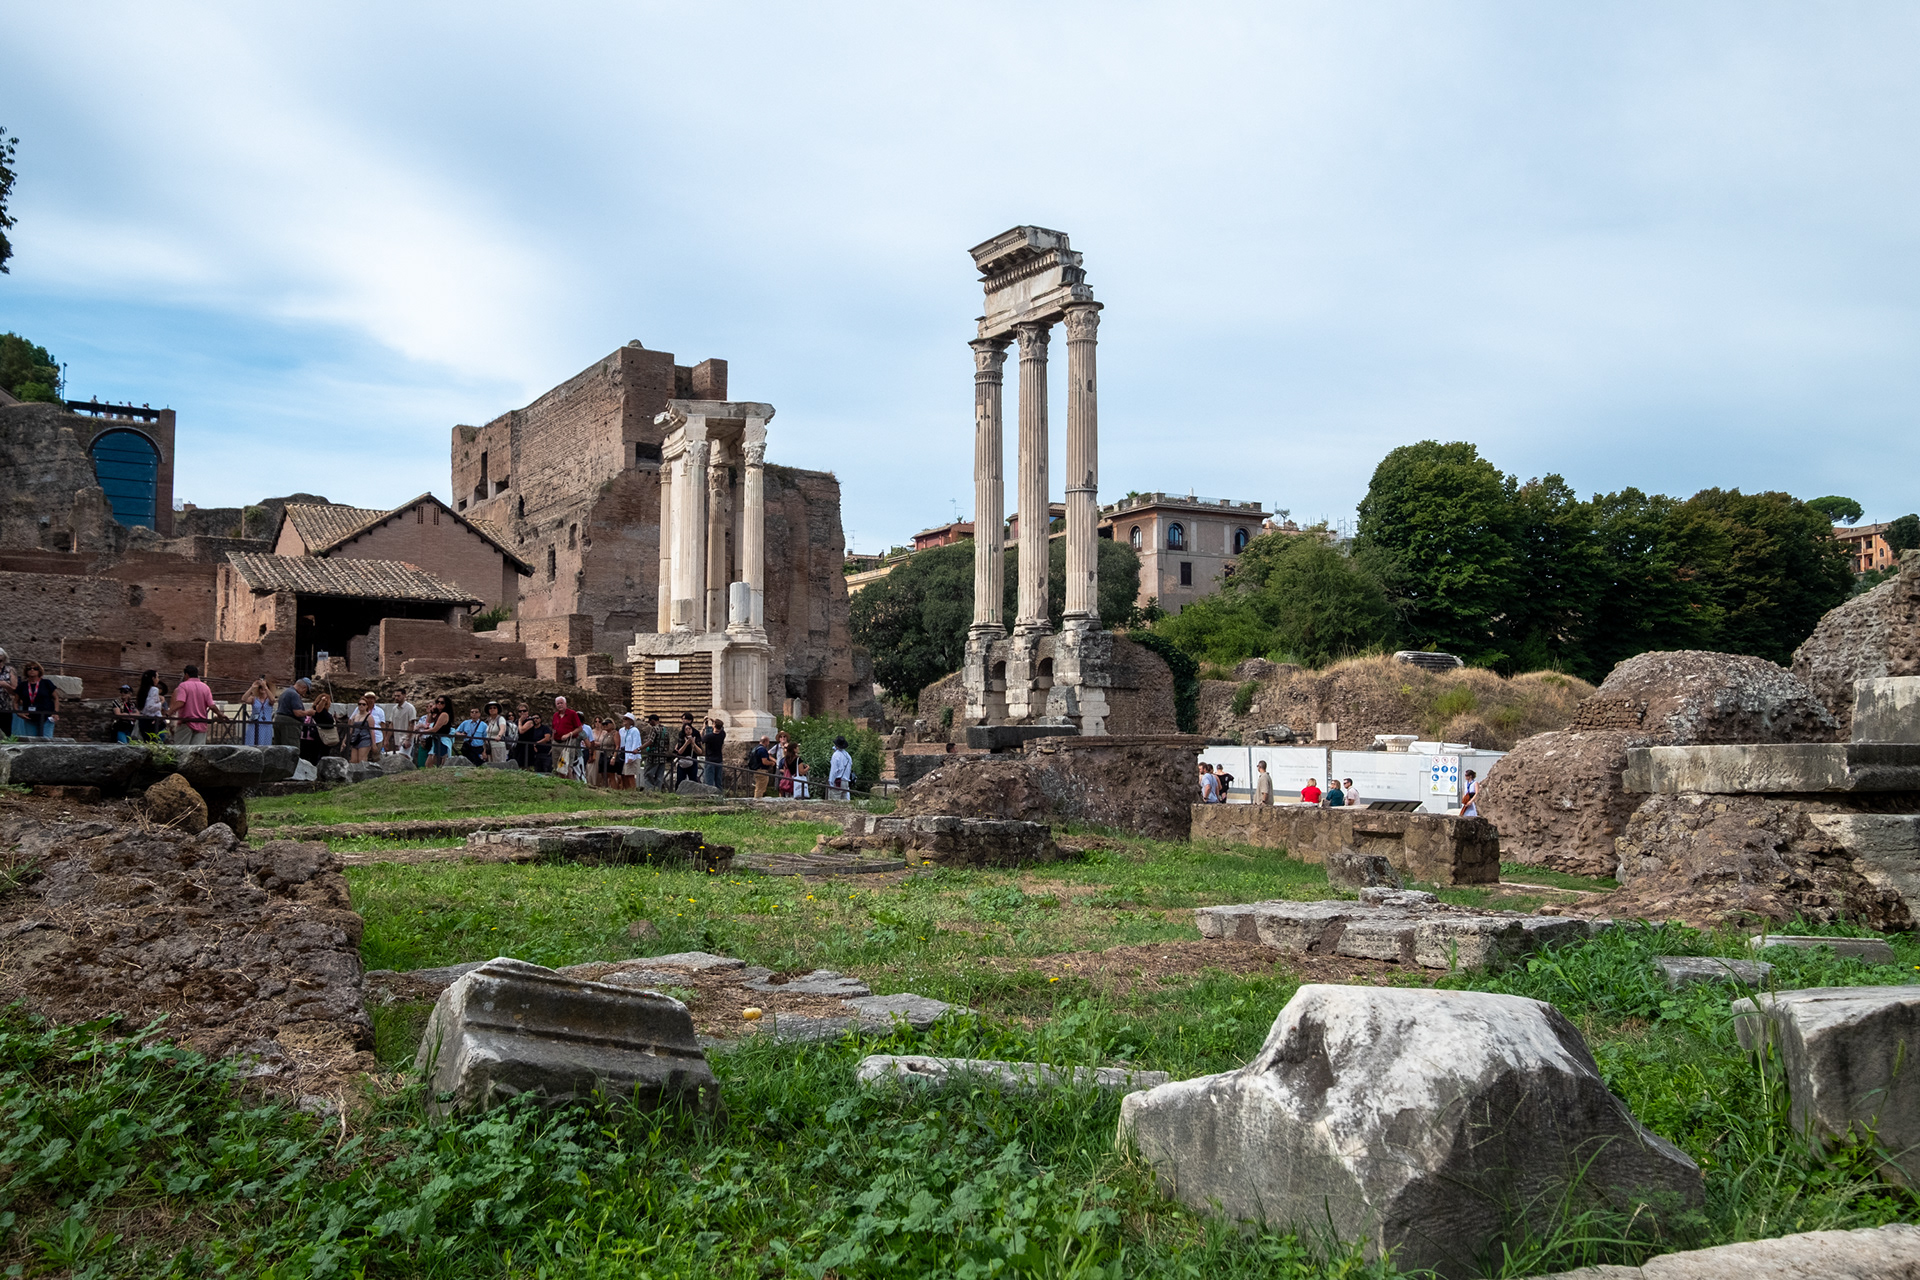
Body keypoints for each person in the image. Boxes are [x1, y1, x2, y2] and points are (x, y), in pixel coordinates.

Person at [169, 663, 217, 745]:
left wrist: (169, 712)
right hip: (201, 723)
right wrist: (220, 714)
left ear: (186, 674)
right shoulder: (205, 687)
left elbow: (181, 702)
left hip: (186, 722)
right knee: (197, 752)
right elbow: (211, 705)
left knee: (181, 750)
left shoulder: (183, 686)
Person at [11, 661, 57, 738]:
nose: (32, 670)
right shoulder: (22, 685)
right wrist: (18, 712)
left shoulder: (46, 683)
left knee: (46, 740)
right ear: (26, 671)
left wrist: (56, 712)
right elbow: (16, 701)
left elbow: (56, 698)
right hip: (29, 717)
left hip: (47, 716)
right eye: (29, 668)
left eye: (35, 668)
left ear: (39, 671)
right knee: (32, 740)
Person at [301, 692, 338, 766]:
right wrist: (323, 700)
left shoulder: (321, 712)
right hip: (319, 738)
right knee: (316, 758)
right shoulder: (319, 711)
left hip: (318, 738)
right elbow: (319, 709)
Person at [551, 696, 584, 779]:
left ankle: (570, 785)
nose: (560, 705)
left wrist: (569, 734)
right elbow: (553, 729)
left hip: (568, 743)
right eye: (558, 703)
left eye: (561, 703)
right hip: (556, 743)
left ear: (565, 704)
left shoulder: (572, 714)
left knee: (567, 766)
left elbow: (580, 728)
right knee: (557, 767)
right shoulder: (555, 715)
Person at [274, 678, 311, 748]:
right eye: (305, 691)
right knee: (291, 747)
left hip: (279, 720)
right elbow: (297, 713)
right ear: (304, 687)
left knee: (279, 747)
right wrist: (308, 712)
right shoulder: (294, 694)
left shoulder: (285, 692)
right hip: (289, 724)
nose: (304, 693)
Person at [347, 693, 380, 763]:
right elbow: (350, 729)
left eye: (363, 704)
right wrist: (345, 740)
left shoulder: (369, 717)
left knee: (362, 759)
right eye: (359, 704)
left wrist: (374, 744)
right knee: (353, 760)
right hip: (355, 738)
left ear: (367, 706)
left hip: (365, 739)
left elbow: (372, 731)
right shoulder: (355, 716)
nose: (361, 706)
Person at [241, 678, 275, 747]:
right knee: (252, 742)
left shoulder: (269, 700)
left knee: (265, 744)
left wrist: (265, 687)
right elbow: (243, 699)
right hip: (254, 724)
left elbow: (273, 700)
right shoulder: (254, 698)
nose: (262, 689)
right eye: (261, 688)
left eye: (264, 688)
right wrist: (252, 687)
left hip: (266, 724)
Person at [673, 714, 702, 787]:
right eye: (682, 719)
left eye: (684, 719)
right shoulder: (681, 734)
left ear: (690, 720)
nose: (683, 720)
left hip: (692, 759)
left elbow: (700, 751)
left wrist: (693, 743)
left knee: (693, 779)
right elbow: (679, 751)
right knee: (680, 780)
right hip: (682, 759)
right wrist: (686, 743)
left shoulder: (696, 733)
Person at [642, 712, 669, 789]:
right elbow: (667, 744)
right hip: (662, 756)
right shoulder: (665, 730)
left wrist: (639, 748)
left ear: (653, 720)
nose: (649, 723)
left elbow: (650, 741)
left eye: (650, 721)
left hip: (653, 756)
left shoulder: (654, 729)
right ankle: (658, 790)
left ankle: (649, 790)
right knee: (659, 775)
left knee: (648, 774)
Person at [618, 713, 645, 790]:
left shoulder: (634, 731)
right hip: (624, 755)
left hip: (632, 756)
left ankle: (633, 791)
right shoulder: (621, 730)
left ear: (631, 721)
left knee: (630, 775)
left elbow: (635, 743)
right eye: (624, 719)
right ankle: (626, 790)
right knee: (624, 774)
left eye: (626, 719)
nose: (624, 721)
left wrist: (631, 756)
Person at [701, 717, 726, 789]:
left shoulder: (709, 737)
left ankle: (710, 797)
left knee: (709, 783)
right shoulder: (722, 734)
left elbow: (700, 740)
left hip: (710, 760)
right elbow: (721, 728)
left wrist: (703, 728)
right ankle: (720, 797)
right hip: (719, 760)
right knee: (718, 782)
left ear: (714, 726)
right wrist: (712, 720)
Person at [827, 734, 853, 800]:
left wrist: (831, 782)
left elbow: (834, 770)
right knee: (844, 804)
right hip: (846, 781)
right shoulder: (848, 756)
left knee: (834, 803)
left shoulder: (836, 755)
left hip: (837, 782)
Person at [0, 647, 16, 725]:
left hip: (5, 708)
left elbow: (15, 691)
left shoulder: (9, 670)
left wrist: (6, 686)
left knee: (5, 734)